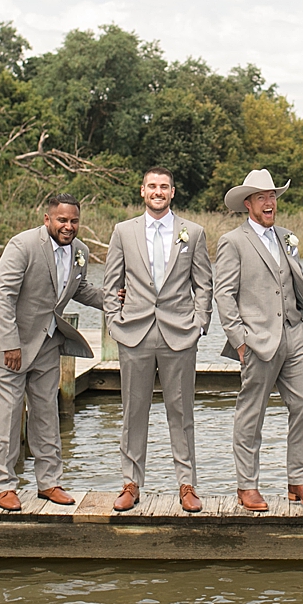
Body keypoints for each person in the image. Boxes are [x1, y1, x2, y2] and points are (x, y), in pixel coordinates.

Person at [213, 168, 303, 512]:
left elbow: (296, 283)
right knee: (252, 413)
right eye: (262, 197)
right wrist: (240, 340)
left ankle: (299, 481)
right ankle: (247, 486)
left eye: (273, 197)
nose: (270, 203)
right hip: (257, 340)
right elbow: (223, 295)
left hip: (296, 336)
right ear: (247, 203)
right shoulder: (232, 241)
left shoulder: (287, 237)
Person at [0, 194, 105, 511]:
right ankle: (5, 485)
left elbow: (80, 290)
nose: (68, 226)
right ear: (47, 218)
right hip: (11, 345)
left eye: (74, 220)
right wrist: (10, 344)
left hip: (48, 344)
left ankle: (49, 483)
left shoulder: (80, 251)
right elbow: (3, 295)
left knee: (46, 415)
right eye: (62, 220)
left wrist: (119, 298)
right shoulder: (22, 245)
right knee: (8, 416)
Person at [102, 167, 213, 513]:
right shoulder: (123, 231)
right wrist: (113, 321)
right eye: (152, 186)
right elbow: (110, 282)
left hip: (179, 333)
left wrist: (199, 323)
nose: (158, 191)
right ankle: (131, 483)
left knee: (182, 412)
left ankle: (186, 484)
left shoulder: (192, 233)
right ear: (142, 191)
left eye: (164, 186)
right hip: (134, 332)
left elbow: (204, 284)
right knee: (133, 411)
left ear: (173, 192)